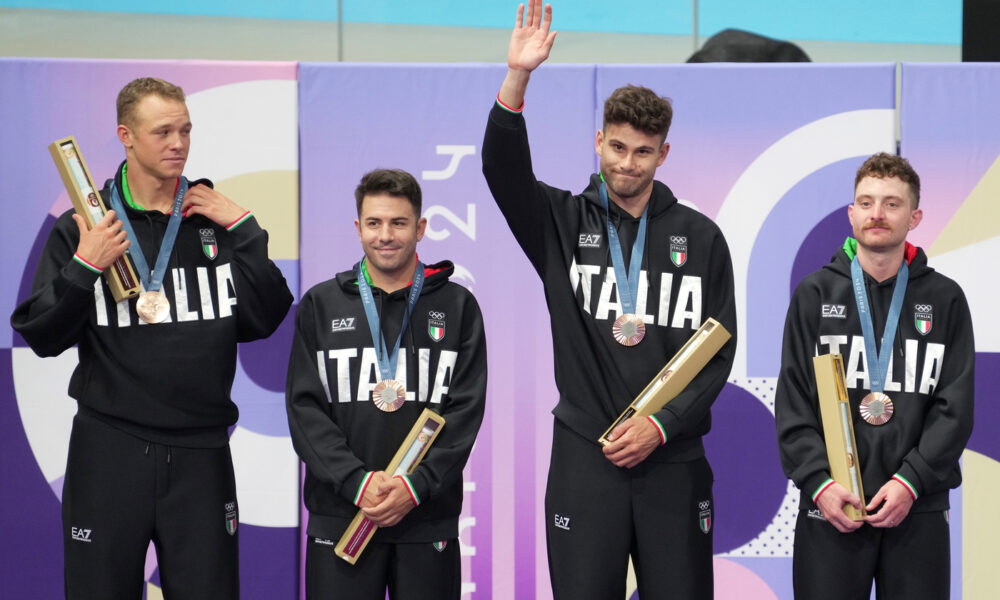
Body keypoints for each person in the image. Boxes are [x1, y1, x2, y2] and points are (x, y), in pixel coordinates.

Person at [481, 2, 737, 597]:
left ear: (663, 155)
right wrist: (518, 77)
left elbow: (716, 354)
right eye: (617, 147)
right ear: (599, 141)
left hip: (672, 460)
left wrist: (661, 426)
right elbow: (501, 168)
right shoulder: (560, 221)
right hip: (585, 458)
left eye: (642, 152)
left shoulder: (700, 238)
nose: (627, 163)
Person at [11, 77, 293, 599]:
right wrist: (84, 266)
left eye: (185, 129)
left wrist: (247, 229)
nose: (179, 143)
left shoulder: (212, 220)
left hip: (202, 454)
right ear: (126, 135)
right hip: (109, 450)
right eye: (163, 131)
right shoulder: (87, 226)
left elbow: (266, 319)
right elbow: (39, 334)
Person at [775, 153, 975, 599]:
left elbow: (954, 409)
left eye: (891, 204)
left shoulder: (945, 299)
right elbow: (793, 403)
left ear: (915, 216)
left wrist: (912, 481)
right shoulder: (814, 294)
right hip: (832, 506)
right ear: (851, 214)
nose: (877, 214)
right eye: (866, 203)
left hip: (917, 505)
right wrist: (820, 484)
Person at [286, 168, 487, 600]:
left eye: (398, 223)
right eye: (374, 223)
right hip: (341, 517)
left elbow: (465, 411)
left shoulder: (458, 305)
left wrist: (415, 486)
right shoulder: (321, 304)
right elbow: (305, 410)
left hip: (425, 517)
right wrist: (356, 481)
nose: (386, 235)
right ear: (358, 228)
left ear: (420, 228)